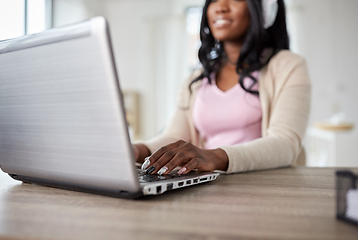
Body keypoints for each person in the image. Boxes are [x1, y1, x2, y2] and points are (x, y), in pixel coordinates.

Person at [133, 0, 311, 175]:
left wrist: (215, 156)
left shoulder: (289, 66)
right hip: (209, 187)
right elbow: (174, 138)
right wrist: (136, 150)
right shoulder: (196, 80)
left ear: (263, 10)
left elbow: (285, 143)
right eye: (214, 0)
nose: (221, 7)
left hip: (263, 187)